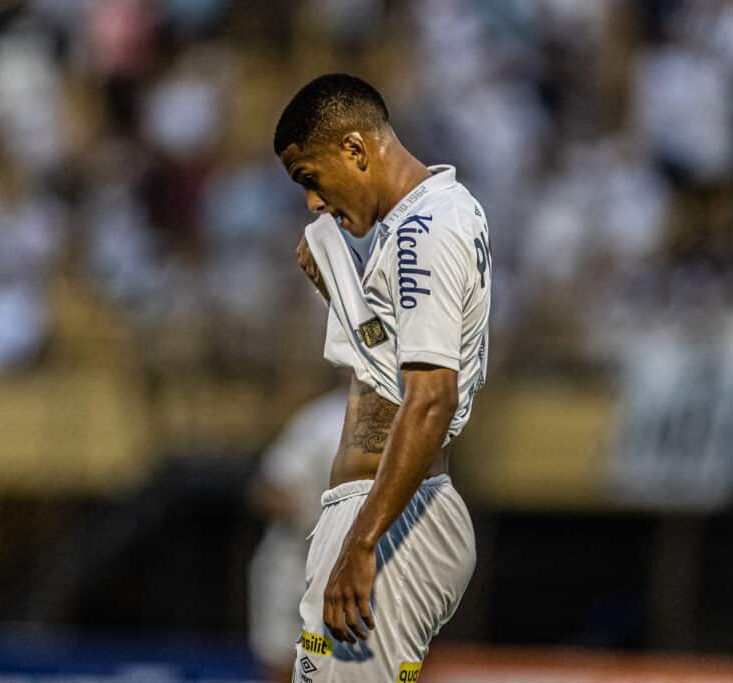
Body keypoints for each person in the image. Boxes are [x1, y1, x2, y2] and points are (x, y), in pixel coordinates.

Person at [273, 73, 492, 682]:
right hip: (391, 511)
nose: (314, 203)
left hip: (391, 517)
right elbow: (398, 371)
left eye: (309, 178)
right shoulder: (422, 223)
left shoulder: (424, 229)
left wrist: (363, 541)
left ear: (353, 149)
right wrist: (338, 289)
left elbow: (430, 400)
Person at [248, 386, 348, 683]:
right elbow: (266, 491)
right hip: (295, 567)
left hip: (365, 571)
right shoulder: (323, 420)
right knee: (285, 666)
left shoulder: (410, 421)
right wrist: (313, 518)